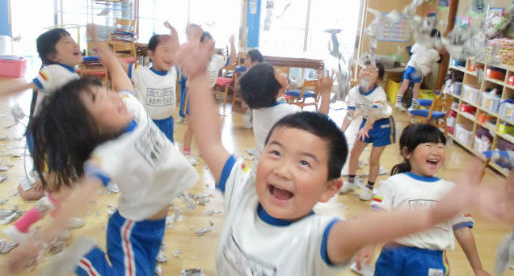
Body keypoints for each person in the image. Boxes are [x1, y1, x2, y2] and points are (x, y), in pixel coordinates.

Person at [173, 29, 514, 275]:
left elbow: (367, 228)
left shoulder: (319, 238)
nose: (283, 170)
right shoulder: (243, 190)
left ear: (329, 189)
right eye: (275, 153)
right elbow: (212, 142)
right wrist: (198, 76)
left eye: (304, 162)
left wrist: (435, 214)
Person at [8, 24, 199, 275]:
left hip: (155, 225)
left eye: (103, 91)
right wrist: (42, 238)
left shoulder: (131, 110)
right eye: (99, 100)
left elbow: (121, 80)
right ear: (91, 128)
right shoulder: (110, 153)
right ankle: (84, 261)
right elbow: (82, 198)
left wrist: (105, 52)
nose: (111, 96)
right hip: (133, 228)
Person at [354, 124, 490, 276]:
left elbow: (463, 231)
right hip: (393, 256)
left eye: (440, 146)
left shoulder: (451, 191)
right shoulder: (393, 183)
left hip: (431, 261)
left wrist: (478, 268)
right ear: (407, 152)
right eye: (428, 145)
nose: (436, 151)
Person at [2, 28, 84, 242]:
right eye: (67, 42)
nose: (74, 44)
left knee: (62, 183)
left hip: (57, 137)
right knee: (61, 186)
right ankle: (21, 227)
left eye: (73, 40)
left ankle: (59, 216)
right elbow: (32, 85)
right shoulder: (53, 71)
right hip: (45, 138)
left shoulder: (69, 73)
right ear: (53, 56)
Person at [239, 62, 333, 162]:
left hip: (260, 168)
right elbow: (321, 123)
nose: (281, 72)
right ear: (274, 88)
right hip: (278, 171)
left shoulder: (258, 107)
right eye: (277, 72)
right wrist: (326, 92)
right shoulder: (288, 113)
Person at [339, 60, 394, 201]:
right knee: (354, 154)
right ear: (358, 72)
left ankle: (369, 187)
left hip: (382, 125)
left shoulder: (379, 93)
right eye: (365, 69)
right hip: (366, 122)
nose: (367, 72)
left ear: (379, 78)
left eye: (372, 70)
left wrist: (365, 127)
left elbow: (374, 114)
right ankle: (351, 181)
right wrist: (340, 132)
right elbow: (349, 115)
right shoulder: (353, 92)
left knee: (374, 159)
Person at [182, 29, 236, 157]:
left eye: (210, 42)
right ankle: (186, 154)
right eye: (205, 42)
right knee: (192, 128)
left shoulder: (217, 59)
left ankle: (203, 152)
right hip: (194, 97)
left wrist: (232, 43)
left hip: (207, 97)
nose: (208, 45)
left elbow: (232, 61)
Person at [123, 21, 179, 142]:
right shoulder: (141, 73)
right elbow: (120, 65)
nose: (170, 55)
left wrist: (174, 31)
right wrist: (105, 53)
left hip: (167, 123)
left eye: (172, 51)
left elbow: (177, 48)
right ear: (151, 54)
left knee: (166, 154)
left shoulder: (173, 71)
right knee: (147, 155)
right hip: (147, 124)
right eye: (165, 50)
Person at [395, 29, 444, 111]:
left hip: (411, 66)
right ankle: (413, 107)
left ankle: (398, 102)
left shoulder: (418, 44)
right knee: (416, 89)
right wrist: (440, 52)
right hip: (419, 70)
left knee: (405, 84)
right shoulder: (433, 52)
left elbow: (411, 51)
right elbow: (439, 60)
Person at [240, 48, 264, 128]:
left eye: (247, 59)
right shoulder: (248, 73)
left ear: (255, 63)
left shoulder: (262, 74)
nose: (244, 61)